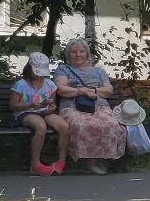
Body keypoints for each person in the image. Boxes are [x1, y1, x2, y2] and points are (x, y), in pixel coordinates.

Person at [53, 37, 125, 175]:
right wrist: (82, 91)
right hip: (73, 106)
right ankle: (88, 162)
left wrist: (94, 91)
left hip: (98, 105)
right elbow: (61, 89)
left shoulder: (98, 71)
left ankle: (96, 161)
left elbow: (108, 90)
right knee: (81, 124)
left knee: (110, 124)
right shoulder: (63, 69)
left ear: (87, 53)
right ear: (68, 54)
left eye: (81, 51)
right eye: (74, 52)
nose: (78, 54)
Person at [11, 51, 68, 177]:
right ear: (29, 68)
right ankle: (35, 164)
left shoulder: (50, 85)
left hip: (44, 112)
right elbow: (13, 105)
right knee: (40, 126)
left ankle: (61, 161)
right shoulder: (21, 85)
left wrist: (51, 107)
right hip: (25, 112)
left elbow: (53, 104)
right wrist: (30, 105)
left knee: (64, 126)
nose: (39, 75)